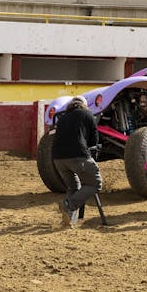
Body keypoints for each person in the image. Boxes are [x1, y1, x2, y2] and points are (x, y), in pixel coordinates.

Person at [52, 95, 103, 227]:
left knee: (73, 187)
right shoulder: (87, 114)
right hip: (78, 156)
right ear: (84, 105)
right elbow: (93, 140)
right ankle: (68, 204)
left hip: (58, 159)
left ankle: (69, 220)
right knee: (95, 184)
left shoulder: (62, 117)